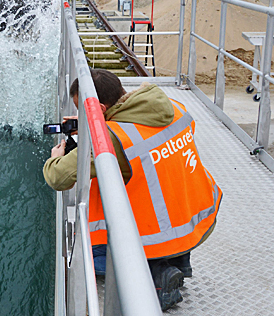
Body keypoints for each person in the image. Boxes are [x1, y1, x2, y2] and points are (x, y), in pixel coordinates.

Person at [43, 69, 222, 311]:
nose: (81, 116)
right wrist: (89, 126)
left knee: (95, 259)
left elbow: (57, 177)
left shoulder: (113, 138)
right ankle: (180, 259)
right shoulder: (171, 106)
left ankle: (159, 274)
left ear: (101, 110)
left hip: (158, 232)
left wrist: (57, 156)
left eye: (83, 111)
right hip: (195, 215)